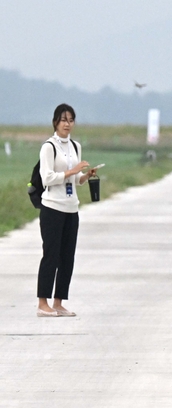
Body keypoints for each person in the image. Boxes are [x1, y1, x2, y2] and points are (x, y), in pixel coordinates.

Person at [36, 103, 99, 317]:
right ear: (55, 121)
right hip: (52, 208)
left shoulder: (75, 146)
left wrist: (85, 175)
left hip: (72, 208)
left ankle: (59, 302)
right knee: (50, 256)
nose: (67, 124)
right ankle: (42, 303)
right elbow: (47, 178)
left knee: (67, 257)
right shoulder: (49, 147)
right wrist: (72, 170)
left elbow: (75, 180)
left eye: (71, 120)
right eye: (63, 120)